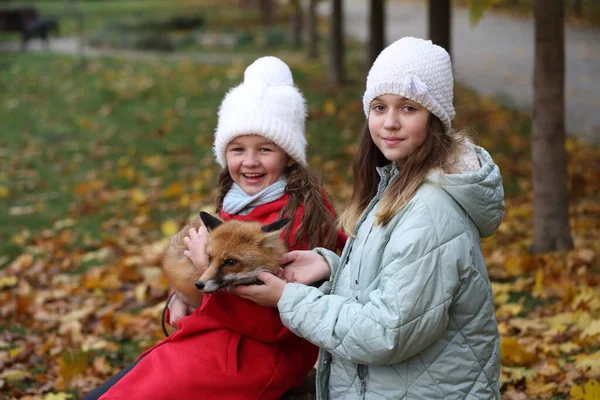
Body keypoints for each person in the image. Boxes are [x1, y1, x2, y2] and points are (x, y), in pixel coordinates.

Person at [234, 37, 505, 399]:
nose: (389, 123)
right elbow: (394, 284)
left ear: (434, 117)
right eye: (379, 107)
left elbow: (386, 333)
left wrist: (288, 299)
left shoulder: (431, 211)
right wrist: (332, 266)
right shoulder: (400, 184)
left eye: (408, 108)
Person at [84, 56, 346, 400]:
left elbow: (276, 324)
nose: (249, 162)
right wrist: (180, 294)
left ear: (288, 156)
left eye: (264, 150)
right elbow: (216, 272)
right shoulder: (238, 202)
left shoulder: (296, 218)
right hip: (219, 337)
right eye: (237, 149)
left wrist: (199, 277)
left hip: (255, 357)